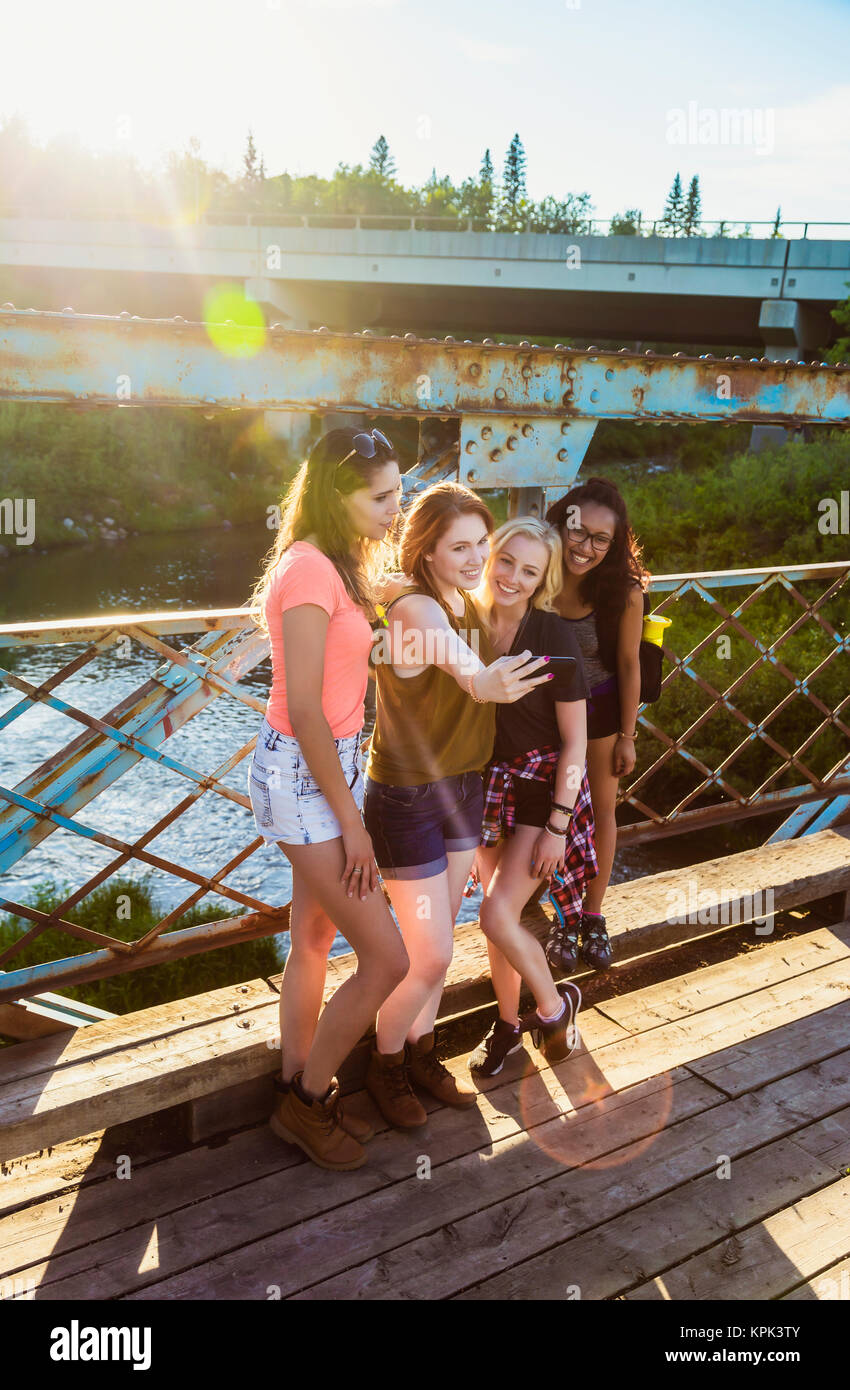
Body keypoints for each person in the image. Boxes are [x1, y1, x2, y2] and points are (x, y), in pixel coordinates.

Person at [362, 482, 553, 1128]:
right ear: (427, 550)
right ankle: (383, 1063)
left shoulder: (464, 599)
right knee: (434, 952)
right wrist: (481, 680)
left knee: (432, 946)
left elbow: (497, 610)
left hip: (463, 790)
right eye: (460, 547)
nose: (476, 559)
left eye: (482, 544)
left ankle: (420, 1052)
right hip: (408, 799)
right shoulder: (414, 606)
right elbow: (453, 658)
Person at [247, 426, 409, 1173]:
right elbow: (305, 708)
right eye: (381, 498)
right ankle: (308, 1105)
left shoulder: (340, 563)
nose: (394, 510)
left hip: (326, 768)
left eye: (400, 494)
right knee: (386, 958)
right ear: (334, 495)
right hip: (306, 779)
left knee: (313, 939)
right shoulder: (308, 570)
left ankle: (292, 1078)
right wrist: (355, 826)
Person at [466, 517, 597, 1078]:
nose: (513, 577)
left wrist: (560, 825)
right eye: (506, 561)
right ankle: (508, 1026)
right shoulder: (465, 624)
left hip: (545, 791)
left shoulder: (551, 636)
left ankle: (553, 1007)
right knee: (501, 916)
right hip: (486, 789)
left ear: (542, 580)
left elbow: (576, 742)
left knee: (495, 915)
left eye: (529, 570)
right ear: (489, 557)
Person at [545, 476, 649, 972]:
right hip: (540, 715)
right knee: (548, 817)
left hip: (599, 714)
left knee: (602, 813)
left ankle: (591, 915)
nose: (585, 547)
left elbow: (629, 665)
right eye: (577, 531)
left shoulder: (624, 592)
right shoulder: (536, 571)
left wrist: (628, 735)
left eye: (600, 539)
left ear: (614, 543)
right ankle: (559, 918)